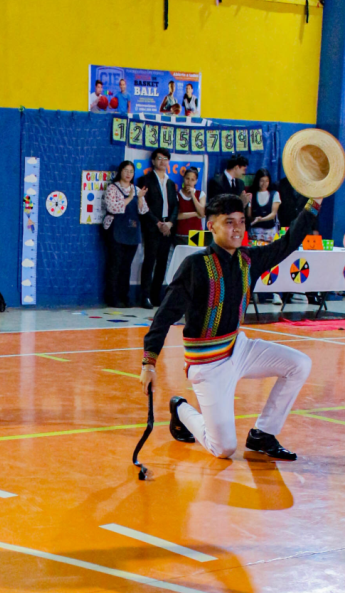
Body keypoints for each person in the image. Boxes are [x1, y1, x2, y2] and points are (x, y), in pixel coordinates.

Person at [140, 193, 322, 461]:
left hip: (239, 348)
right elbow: (164, 316)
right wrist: (149, 363)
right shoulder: (195, 266)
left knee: (300, 364)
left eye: (240, 222)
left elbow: (289, 242)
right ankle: (180, 409)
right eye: (229, 222)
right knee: (223, 449)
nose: (237, 228)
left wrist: (314, 202)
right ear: (211, 226)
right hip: (207, 363)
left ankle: (263, 433)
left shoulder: (249, 260)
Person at [102, 161, 148, 307]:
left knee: (126, 266)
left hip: (132, 231)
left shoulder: (137, 189)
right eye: (126, 170)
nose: (128, 174)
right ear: (120, 171)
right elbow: (112, 207)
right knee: (115, 264)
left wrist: (140, 197)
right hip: (115, 229)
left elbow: (143, 211)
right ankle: (112, 297)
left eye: (131, 171)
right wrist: (129, 198)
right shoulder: (112, 188)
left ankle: (125, 296)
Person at [137, 148, 178, 309]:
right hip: (153, 226)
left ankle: (156, 296)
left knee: (162, 263)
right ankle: (145, 296)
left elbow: (175, 207)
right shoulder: (144, 180)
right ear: (153, 161)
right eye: (159, 158)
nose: (162, 161)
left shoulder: (171, 183)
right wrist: (157, 223)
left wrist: (170, 224)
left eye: (165, 158)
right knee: (150, 260)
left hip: (168, 227)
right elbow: (144, 206)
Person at [174, 166, 205, 245]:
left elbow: (202, 213)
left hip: (197, 234)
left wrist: (193, 195)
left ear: (196, 181)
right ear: (184, 178)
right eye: (187, 179)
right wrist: (195, 213)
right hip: (181, 234)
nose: (189, 182)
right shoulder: (177, 195)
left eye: (192, 180)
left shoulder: (200, 194)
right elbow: (176, 216)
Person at [248, 167, 281, 242]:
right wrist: (254, 219)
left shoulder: (275, 194)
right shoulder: (251, 195)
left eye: (266, 181)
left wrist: (261, 219)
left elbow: (273, 214)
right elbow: (249, 215)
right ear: (257, 181)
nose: (264, 184)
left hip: (270, 231)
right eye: (262, 181)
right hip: (255, 232)